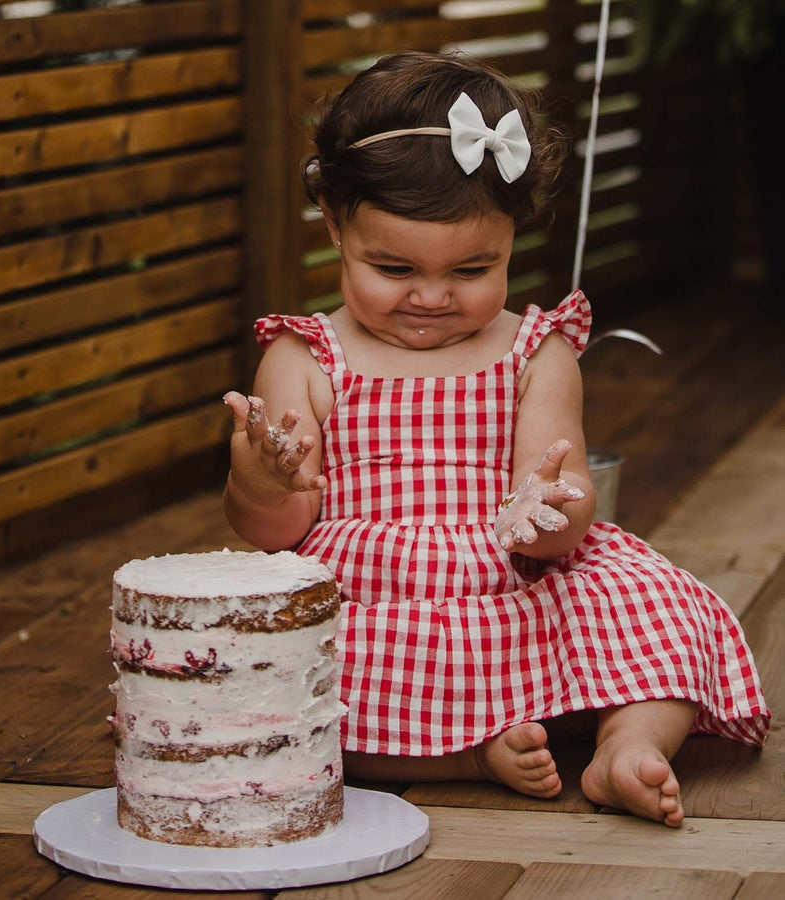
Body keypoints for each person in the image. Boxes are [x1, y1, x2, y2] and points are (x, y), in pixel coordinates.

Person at [222, 51, 769, 828]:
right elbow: (276, 533)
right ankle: (464, 755)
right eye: (394, 266)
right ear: (336, 224)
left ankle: (628, 743)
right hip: (375, 597)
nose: (434, 297)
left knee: (665, 605)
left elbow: (562, 485)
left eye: (475, 268)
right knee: (282, 685)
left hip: (509, 579)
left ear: (514, 236)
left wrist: (543, 517)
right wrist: (262, 482)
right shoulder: (303, 357)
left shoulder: (534, 351)